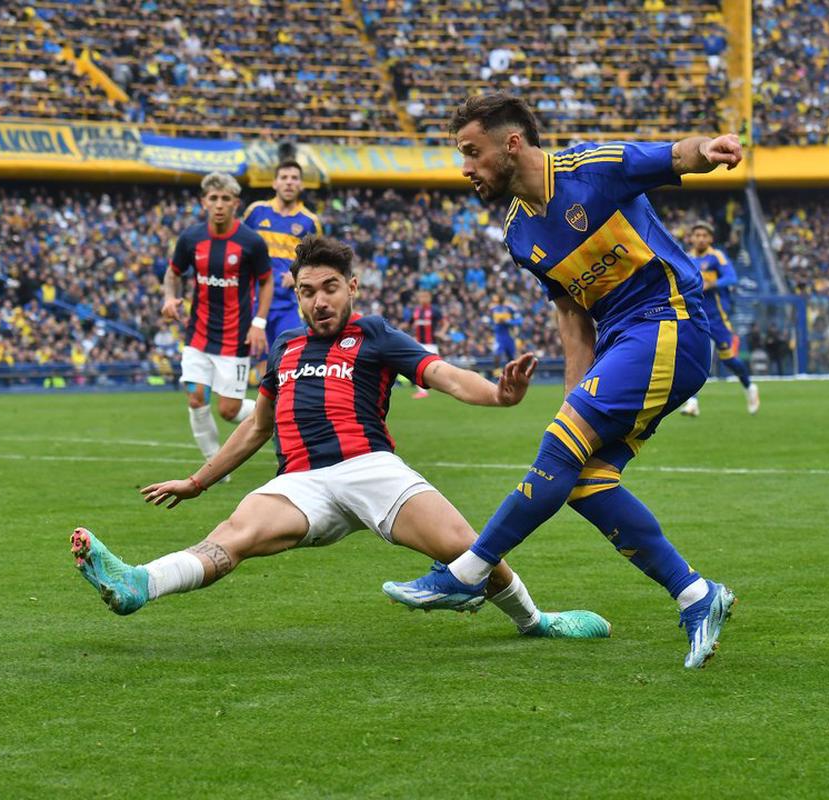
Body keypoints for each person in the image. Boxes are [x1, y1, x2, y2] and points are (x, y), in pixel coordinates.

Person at [71, 235, 611, 641]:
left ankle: (534, 621)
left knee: (464, 549)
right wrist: (197, 481)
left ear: (351, 287)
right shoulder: (282, 347)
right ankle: (138, 584)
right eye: (308, 292)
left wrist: (499, 394)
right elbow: (258, 426)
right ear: (296, 295)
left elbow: (442, 373)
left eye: (330, 288)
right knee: (230, 537)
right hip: (299, 482)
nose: (320, 301)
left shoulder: (373, 333)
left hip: (369, 468)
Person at [384, 93, 738, 669]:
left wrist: (710, 149)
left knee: (559, 446)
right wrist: (577, 394)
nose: (465, 168)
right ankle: (698, 595)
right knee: (583, 479)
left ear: (512, 143)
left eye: (472, 153)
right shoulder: (519, 234)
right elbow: (573, 317)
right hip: (623, 342)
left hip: (672, 324)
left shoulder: (591, 170)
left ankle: (468, 572)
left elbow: (676, 155)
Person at [164, 172, 274, 465]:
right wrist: (168, 297)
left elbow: (266, 281)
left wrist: (259, 323)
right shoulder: (191, 238)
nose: (219, 204)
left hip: (235, 337)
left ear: (236, 203)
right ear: (204, 202)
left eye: (226, 199)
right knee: (196, 397)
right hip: (197, 334)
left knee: (229, 410)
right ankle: (215, 465)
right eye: (213, 198)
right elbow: (173, 273)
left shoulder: (251, 242)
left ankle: (282, 416)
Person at [679, 221, 759, 417]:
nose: (700, 239)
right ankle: (692, 402)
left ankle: (749, 387)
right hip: (695, 316)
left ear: (711, 238)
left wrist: (712, 283)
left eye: (704, 235)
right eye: (697, 235)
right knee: (694, 358)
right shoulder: (686, 258)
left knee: (729, 360)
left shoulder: (717, 257)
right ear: (691, 238)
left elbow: (731, 278)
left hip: (717, 317)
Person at [242, 160, 322, 347]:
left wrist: (298, 276)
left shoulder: (310, 221)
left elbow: (317, 262)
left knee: (288, 356)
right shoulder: (256, 211)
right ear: (274, 183)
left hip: (288, 304)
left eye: (294, 178)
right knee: (258, 358)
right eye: (284, 177)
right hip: (254, 299)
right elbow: (239, 247)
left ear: (301, 185)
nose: (289, 182)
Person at [406, 288, 445, 398]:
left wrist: (441, 332)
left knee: (438, 367)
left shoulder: (434, 311)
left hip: (431, 344)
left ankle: (443, 386)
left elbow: (445, 323)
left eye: (425, 296)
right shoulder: (416, 311)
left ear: (430, 298)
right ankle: (422, 392)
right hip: (419, 344)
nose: (423, 299)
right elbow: (409, 324)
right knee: (417, 367)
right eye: (421, 296)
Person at [488, 292, 519, 376]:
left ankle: (511, 374)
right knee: (497, 354)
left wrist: (508, 322)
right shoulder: (493, 309)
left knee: (511, 357)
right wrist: (493, 324)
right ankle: (497, 374)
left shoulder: (510, 308)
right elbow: (489, 321)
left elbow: (519, 320)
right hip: (499, 336)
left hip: (509, 335)